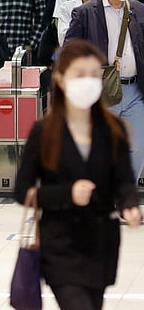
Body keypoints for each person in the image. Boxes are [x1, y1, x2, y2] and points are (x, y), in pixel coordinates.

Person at [15, 39, 141, 310]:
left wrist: (130, 205)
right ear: (60, 79)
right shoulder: (45, 132)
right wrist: (67, 193)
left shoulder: (112, 130)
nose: (89, 82)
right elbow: (22, 190)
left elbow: (124, 180)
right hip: (60, 244)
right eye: (80, 75)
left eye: (95, 75)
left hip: (101, 244)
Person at [65, 0, 144, 183]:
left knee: (136, 148)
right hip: (101, 91)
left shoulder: (138, 9)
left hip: (135, 89)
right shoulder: (85, 13)